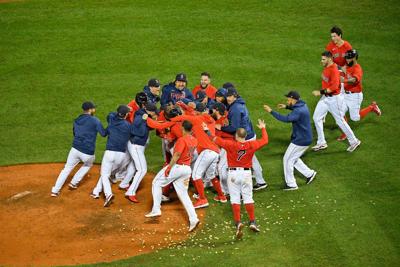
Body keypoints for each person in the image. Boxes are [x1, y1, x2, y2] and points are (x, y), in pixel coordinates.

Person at [204, 118, 269, 239]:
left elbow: (214, 138)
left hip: (233, 175)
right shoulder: (252, 144)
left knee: (235, 199)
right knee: (248, 198)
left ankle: (238, 222)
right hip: (246, 175)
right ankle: (252, 221)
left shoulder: (230, 144)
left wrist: (206, 130)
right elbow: (265, 140)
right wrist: (263, 128)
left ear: (236, 135)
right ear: (245, 136)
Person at [144, 120, 200, 232]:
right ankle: (194, 218)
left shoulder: (181, 139)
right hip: (187, 169)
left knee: (156, 183)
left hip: (178, 167)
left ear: (183, 128)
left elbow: (177, 154)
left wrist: (169, 167)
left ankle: (156, 209)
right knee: (183, 194)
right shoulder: (194, 140)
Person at [170, 103, 227, 208]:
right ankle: (221, 196)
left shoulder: (197, 119)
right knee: (211, 175)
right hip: (215, 152)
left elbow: (183, 117)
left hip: (207, 152)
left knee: (196, 175)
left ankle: (202, 199)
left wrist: (171, 119)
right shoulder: (211, 120)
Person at [51, 101, 107, 197]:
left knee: (66, 169)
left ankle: (55, 190)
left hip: (75, 149)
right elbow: (103, 133)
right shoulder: (95, 120)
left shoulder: (77, 119)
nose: (95, 109)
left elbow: (74, 133)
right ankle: (74, 182)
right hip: (87, 152)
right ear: (90, 110)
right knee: (88, 164)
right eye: (93, 108)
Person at [264, 91, 317, 190]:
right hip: (305, 138)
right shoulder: (302, 105)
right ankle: (309, 174)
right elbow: (296, 108)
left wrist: (271, 111)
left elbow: (286, 119)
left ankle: (291, 184)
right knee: (293, 158)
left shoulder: (298, 111)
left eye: (288, 99)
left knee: (287, 159)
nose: (287, 100)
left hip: (301, 140)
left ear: (293, 99)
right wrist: (286, 107)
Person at [312, 51, 361, 152]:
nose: (321, 61)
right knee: (316, 117)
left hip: (334, 99)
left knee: (340, 121)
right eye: (321, 59)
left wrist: (320, 92)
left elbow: (334, 87)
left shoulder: (333, 70)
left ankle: (354, 141)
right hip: (325, 98)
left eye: (323, 59)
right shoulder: (328, 67)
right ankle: (321, 142)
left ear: (330, 59)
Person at [221, 88, 268, 190]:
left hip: (245, 137)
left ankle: (259, 181)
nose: (228, 98)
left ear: (235, 96)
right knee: (253, 159)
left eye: (230, 96)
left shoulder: (236, 108)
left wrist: (221, 128)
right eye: (227, 96)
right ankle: (261, 181)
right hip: (249, 134)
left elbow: (234, 127)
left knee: (249, 159)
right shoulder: (239, 104)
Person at [91, 105, 132, 207]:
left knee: (105, 174)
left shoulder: (111, 123)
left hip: (109, 153)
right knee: (106, 174)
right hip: (121, 156)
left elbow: (110, 115)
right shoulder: (128, 126)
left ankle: (108, 194)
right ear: (126, 115)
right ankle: (96, 191)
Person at [336, 49, 382, 141]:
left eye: (349, 58)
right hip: (345, 94)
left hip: (355, 96)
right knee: (339, 113)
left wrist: (343, 80)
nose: (347, 60)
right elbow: (340, 69)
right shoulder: (346, 66)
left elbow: (354, 80)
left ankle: (372, 107)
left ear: (354, 58)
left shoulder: (357, 68)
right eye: (346, 58)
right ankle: (346, 133)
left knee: (355, 118)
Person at [125, 102, 158, 203]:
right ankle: (130, 192)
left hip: (137, 145)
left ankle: (124, 183)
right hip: (135, 146)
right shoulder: (140, 116)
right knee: (142, 170)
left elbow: (148, 127)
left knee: (134, 165)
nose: (155, 114)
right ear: (149, 111)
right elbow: (134, 129)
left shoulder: (144, 115)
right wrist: (144, 120)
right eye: (154, 112)